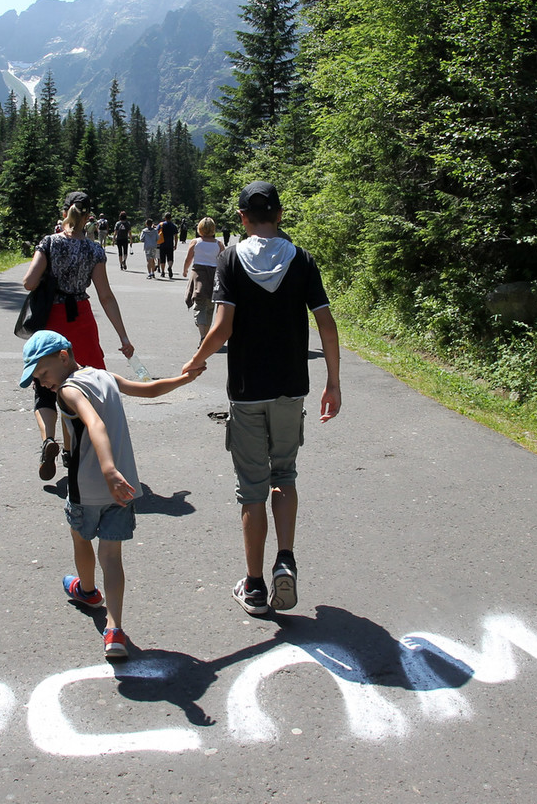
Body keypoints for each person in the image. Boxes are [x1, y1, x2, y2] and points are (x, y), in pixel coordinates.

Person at [182, 181, 341, 616]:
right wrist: (333, 382)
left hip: (248, 390)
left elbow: (223, 327)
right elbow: (326, 325)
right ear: (281, 215)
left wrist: (194, 362)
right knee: (284, 475)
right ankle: (285, 561)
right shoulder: (302, 259)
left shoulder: (232, 260)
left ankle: (253, 586)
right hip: (291, 387)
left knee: (251, 488)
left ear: (242, 219)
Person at [19, 330, 203, 659]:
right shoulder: (104, 375)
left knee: (80, 538)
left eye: (43, 373)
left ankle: (87, 591)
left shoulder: (68, 390)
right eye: (37, 378)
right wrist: (182, 380)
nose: (43, 383)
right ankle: (114, 629)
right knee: (112, 557)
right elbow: (149, 390)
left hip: (87, 488)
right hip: (123, 489)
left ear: (63, 357)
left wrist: (107, 469)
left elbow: (95, 424)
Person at [23, 191, 134, 481]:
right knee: (85, 382)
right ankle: (75, 452)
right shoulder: (94, 250)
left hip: (52, 320)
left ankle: (49, 439)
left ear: (64, 214)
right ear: (89, 218)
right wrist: (123, 336)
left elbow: (29, 282)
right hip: (81, 318)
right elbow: (106, 296)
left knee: (46, 385)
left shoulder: (48, 242)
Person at [183, 217, 224, 344]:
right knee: (210, 306)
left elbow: (188, 258)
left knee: (200, 305)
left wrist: (185, 270)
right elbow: (224, 261)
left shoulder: (195, 242)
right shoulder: (218, 244)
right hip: (213, 276)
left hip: (198, 275)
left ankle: (203, 336)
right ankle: (205, 337)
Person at [156, 212, 178, 279]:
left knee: (162, 259)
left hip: (162, 244)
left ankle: (162, 272)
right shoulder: (173, 226)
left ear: (165, 218)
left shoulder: (161, 225)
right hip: (170, 244)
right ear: (171, 218)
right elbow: (176, 236)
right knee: (170, 258)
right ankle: (169, 267)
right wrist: (175, 244)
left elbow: (157, 233)